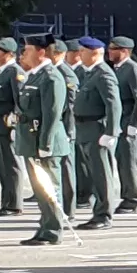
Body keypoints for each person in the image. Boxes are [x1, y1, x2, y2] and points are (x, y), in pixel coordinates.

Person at [15, 35, 73, 247]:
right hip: (31, 140)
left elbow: (52, 113)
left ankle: (53, 230)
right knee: (40, 189)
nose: (24, 54)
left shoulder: (51, 77)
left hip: (43, 142)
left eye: (28, 50)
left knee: (49, 187)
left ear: (40, 52)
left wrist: (45, 144)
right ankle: (44, 227)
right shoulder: (35, 75)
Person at [71, 36, 122, 230]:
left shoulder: (103, 74)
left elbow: (113, 104)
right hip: (85, 129)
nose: (79, 55)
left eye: (83, 52)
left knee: (102, 174)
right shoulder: (89, 73)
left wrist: (111, 132)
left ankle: (103, 215)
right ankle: (97, 212)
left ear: (94, 53)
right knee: (93, 173)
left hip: (97, 129)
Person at [108, 37, 137, 215]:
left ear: (124, 51)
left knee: (131, 163)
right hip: (121, 123)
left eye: (114, 48)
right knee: (123, 163)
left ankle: (134, 199)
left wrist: (135, 123)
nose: (110, 51)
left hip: (130, 123)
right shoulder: (119, 69)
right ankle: (127, 197)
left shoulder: (133, 69)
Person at [0, 38, 27, 216]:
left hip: (7, 124)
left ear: (9, 54)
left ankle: (14, 203)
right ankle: (6, 202)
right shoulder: (0, 72)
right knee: (2, 165)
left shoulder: (14, 72)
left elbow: (21, 100)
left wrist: (15, 123)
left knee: (11, 164)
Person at [47, 38, 82, 212]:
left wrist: (69, 131)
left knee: (67, 172)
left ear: (59, 54)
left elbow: (70, 106)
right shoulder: (53, 70)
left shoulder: (65, 73)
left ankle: (69, 209)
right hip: (58, 128)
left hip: (66, 129)